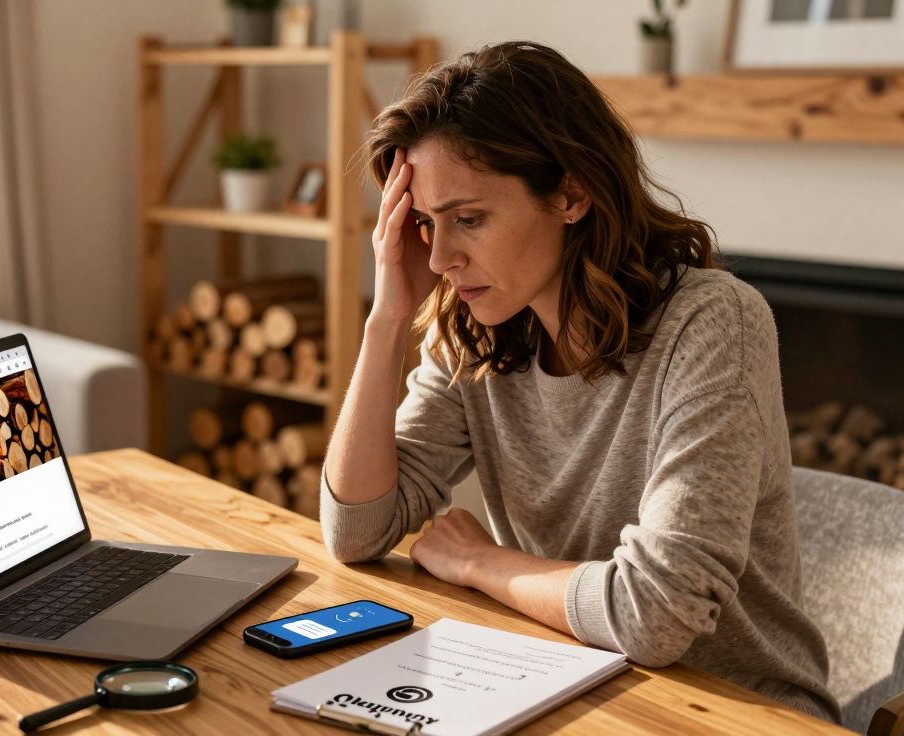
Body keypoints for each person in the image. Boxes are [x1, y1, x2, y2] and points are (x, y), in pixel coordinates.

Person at [320, 41, 841, 723]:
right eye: (424, 223)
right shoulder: (474, 327)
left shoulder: (714, 324)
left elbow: (656, 615)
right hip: (570, 680)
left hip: (738, 710)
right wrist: (387, 319)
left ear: (570, 194)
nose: (441, 257)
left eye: (468, 219)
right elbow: (356, 531)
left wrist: (480, 562)